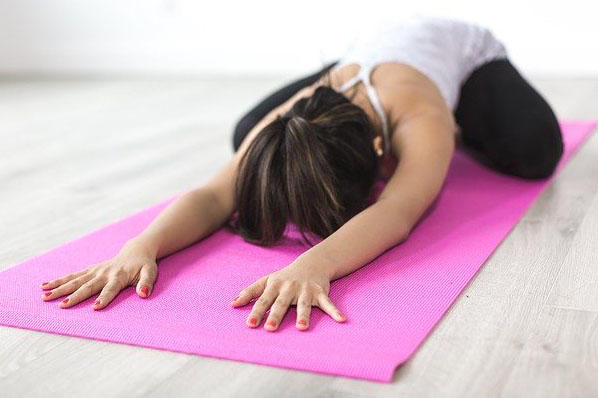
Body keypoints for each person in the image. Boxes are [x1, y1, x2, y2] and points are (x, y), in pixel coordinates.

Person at [39, 16, 564, 332]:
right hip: (362, 58)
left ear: (384, 155)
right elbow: (212, 194)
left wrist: (315, 264)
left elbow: (399, 211)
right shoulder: (295, 113)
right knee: (250, 135)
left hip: (461, 56)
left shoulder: (421, 120)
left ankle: (470, 119)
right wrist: (141, 247)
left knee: (537, 151)